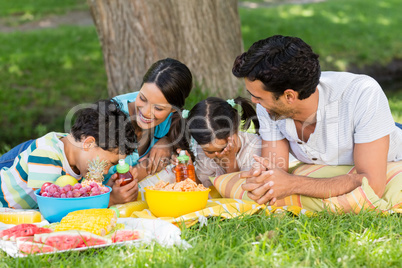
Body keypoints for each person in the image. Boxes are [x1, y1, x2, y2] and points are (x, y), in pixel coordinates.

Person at [232, 35, 402, 205]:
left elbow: (372, 186)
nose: (254, 102)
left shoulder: (362, 94)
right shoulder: (269, 106)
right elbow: (275, 168)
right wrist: (262, 176)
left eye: (258, 97)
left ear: (289, 96)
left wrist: (294, 184)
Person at [0, 99, 137, 209]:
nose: (107, 170)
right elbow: (52, 210)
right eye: (109, 163)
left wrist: (103, 191)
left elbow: (76, 196)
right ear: (88, 143)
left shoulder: (78, 155)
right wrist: (110, 200)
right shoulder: (47, 155)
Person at [107, 58, 193, 183]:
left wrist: (167, 141)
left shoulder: (173, 119)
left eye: (158, 108)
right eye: (142, 98)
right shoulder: (110, 118)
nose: (146, 112)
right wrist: (147, 166)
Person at [185, 97, 261, 187]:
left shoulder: (255, 147)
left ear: (236, 129)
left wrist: (231, 162)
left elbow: (241, 193)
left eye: (223, 148)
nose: (218, 154)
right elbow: (205, 190)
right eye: (210, 152)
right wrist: (190, 173)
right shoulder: (202, 150)